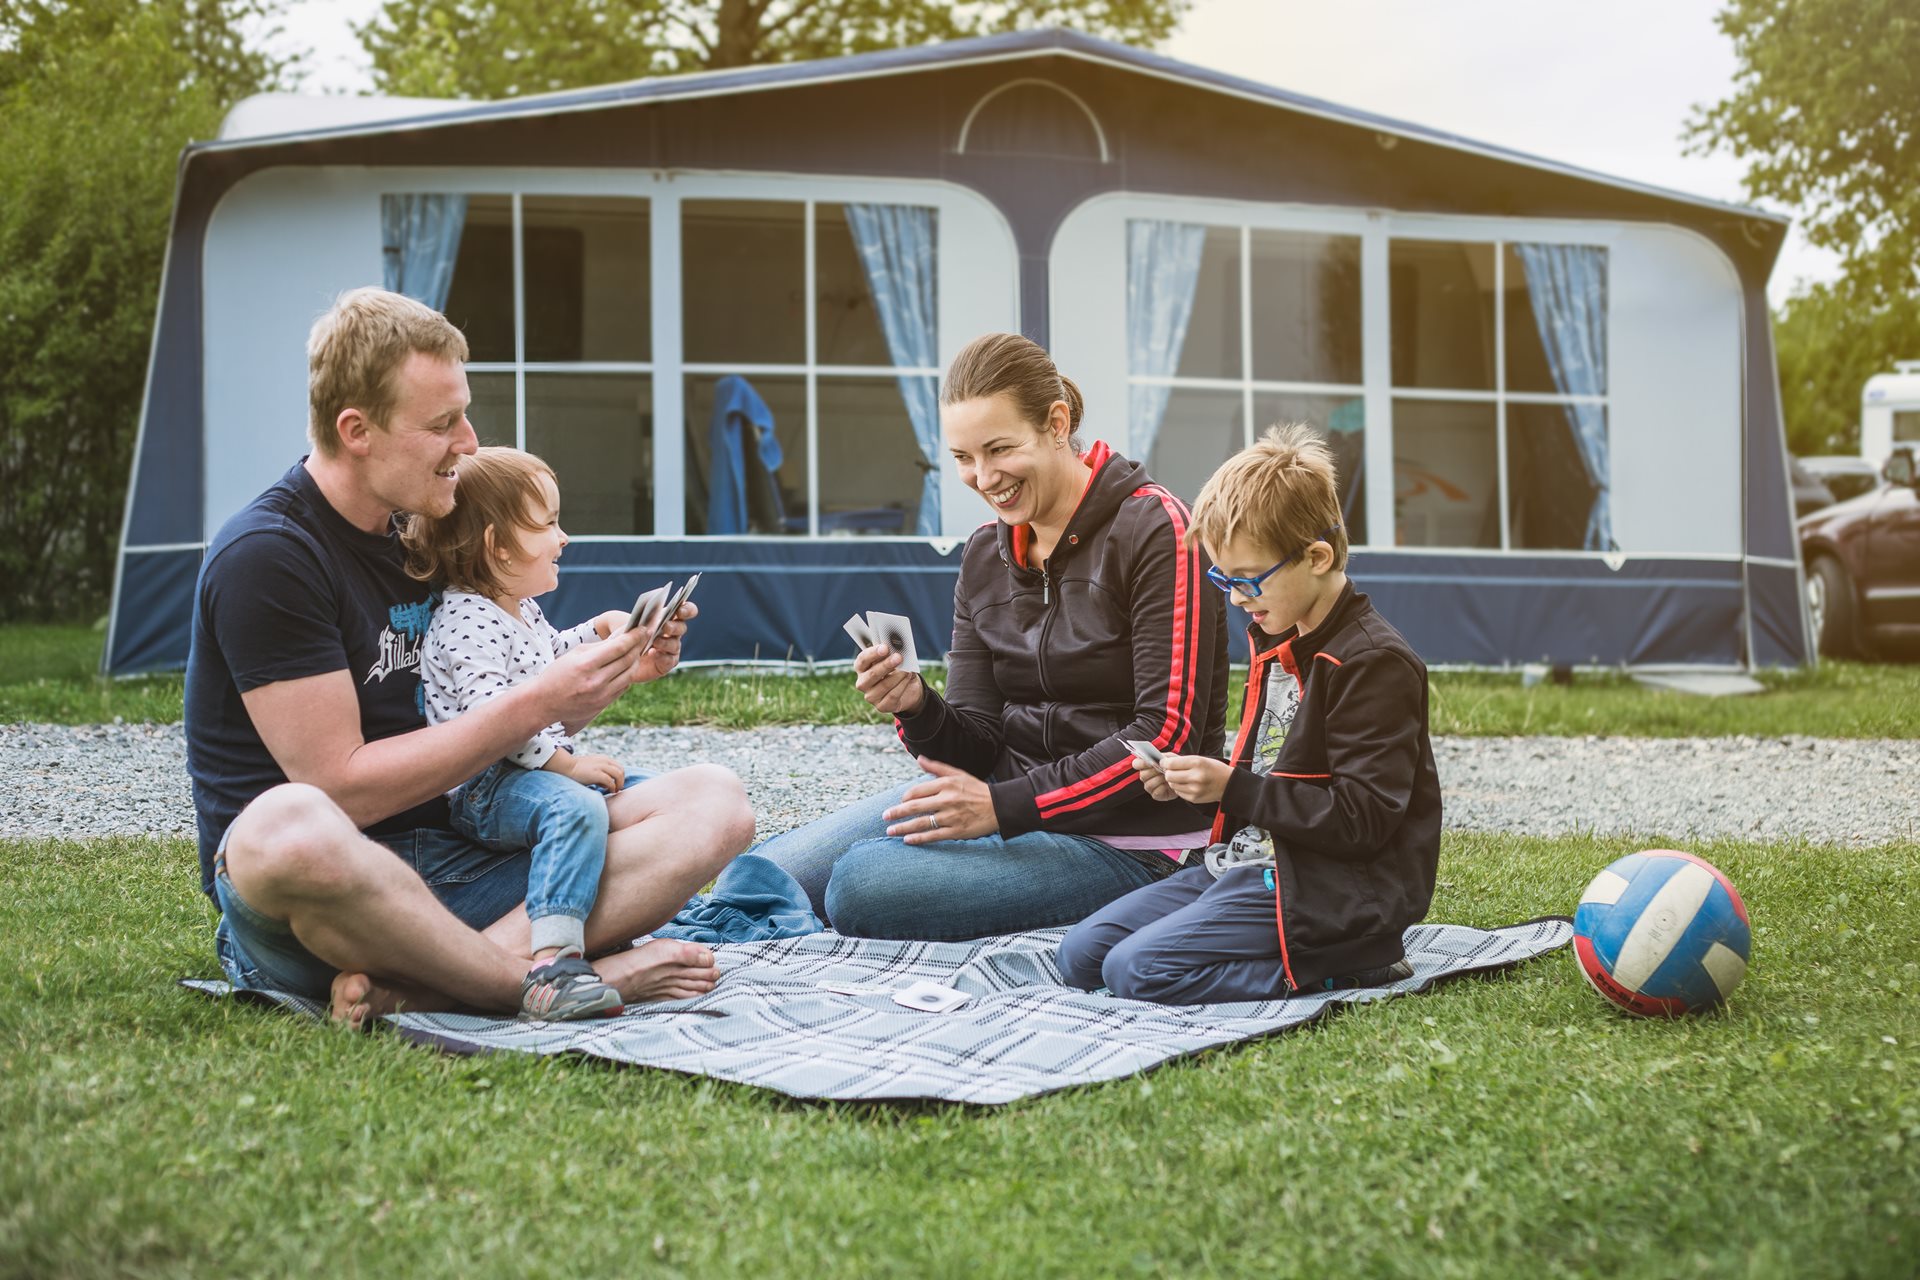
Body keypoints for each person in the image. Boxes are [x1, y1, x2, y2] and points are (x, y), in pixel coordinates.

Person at [184, 287, 754, 1025]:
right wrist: (542, 698)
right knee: (284, 826)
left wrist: (600, 674)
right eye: (443, 423)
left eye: (465, 414)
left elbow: (487, 709)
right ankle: (537, 982)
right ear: (357, 429)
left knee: (716, 802)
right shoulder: (269, 557)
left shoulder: (418, 532)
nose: (470, 443)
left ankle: (429, 990)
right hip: (334, 889)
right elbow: (342, 790)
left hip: (460, 852)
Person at [757, 332, 1229, 940]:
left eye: (999, 448)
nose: (983, 477)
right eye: (962, 457)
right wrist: (917, 706)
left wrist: (1004, 808)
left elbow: (1165, 735)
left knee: (859, 886)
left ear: (1057, 424)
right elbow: (976, 742)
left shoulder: (1156, 529)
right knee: (770, 871)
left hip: (1134, 844)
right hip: (1006, 808)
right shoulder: (986, 553)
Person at [1056, 424, 1442, 1004]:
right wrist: (1198, 786)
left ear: (1316, 557)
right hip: (1250, 862)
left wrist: (1233, 788)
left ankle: (1347, 967)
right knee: (1080, 956)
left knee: (1134, 971)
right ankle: (1243, 932)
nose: (1235, 598)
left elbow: (1363, 821)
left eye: (1246, 580)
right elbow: (1275, 775)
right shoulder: (1279, 634)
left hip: (1325, 888)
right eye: (1224, 579)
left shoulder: (1375, 663)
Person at [404, 446, 649, 1020]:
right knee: (576, 811)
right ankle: (553, 960)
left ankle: (586, 928)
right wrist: (566, 767)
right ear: (497, 545)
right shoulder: (466, 617)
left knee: (623, 802)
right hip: (483, 784)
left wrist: (599, 633)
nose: (563, 537)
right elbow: (496, 714)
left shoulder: (517, 609)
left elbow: (551, 658)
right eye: (548, 524)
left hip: (517, 774)